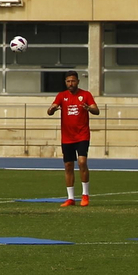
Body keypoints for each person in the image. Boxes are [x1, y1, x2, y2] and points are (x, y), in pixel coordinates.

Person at [46, 70, 99, 206]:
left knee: (82, 162)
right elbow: (50, 110)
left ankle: (85, 195)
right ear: (65, 82)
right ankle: (70, 198)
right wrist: (52, 109)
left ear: (78, 82)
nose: (71, 83)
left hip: (82, 135)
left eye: (73, 81)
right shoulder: (61, 96)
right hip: (67, 137)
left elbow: (96, 110)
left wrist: (88, 108)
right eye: (68, 81)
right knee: (68, 166)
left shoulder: (85, 95)